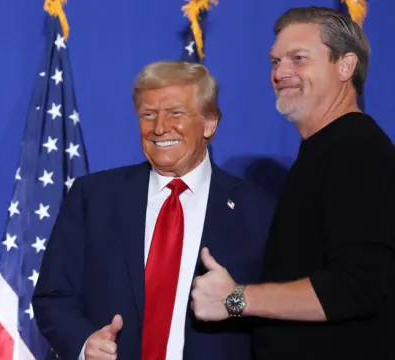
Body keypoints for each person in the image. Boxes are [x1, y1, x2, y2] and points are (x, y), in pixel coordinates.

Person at [32, 61, 276, 360]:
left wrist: (236, 299)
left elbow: (277, 312)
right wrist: (85, 344)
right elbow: (53, 296)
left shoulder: (258, 209)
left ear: (209, 124)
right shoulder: (94, 197)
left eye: (176, 113)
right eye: (148, 115)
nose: (159, 128)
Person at [189, 6, 395, 360]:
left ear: (345, 66)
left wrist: (236, 298)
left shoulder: (356, 149)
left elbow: (359, 285)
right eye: (275, 62)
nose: (281, 72)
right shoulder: (324, 149)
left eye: (298, 58)